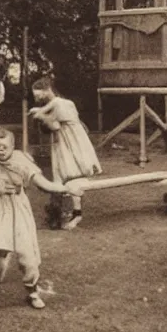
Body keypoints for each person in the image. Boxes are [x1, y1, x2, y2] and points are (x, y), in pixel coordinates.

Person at [0, 127, 82, 309]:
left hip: (18, 208)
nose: (0, 151)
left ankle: (32, 292)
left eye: (4, 147)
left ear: (13, 147)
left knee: (27, 251)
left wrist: (67, 189)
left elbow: (45, 184)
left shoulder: (22, 161)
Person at [29, 76, 102, 230]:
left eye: (37, 94)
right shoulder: (57, 103)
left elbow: (54, 125)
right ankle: (66, 212)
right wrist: (40, 112)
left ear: (47, 89)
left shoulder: (60, 103)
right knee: (64, 176)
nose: (36, 98)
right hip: (63, 143)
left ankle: (74, 214)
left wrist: (40, 115)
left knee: (71, 175)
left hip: (71, 143)